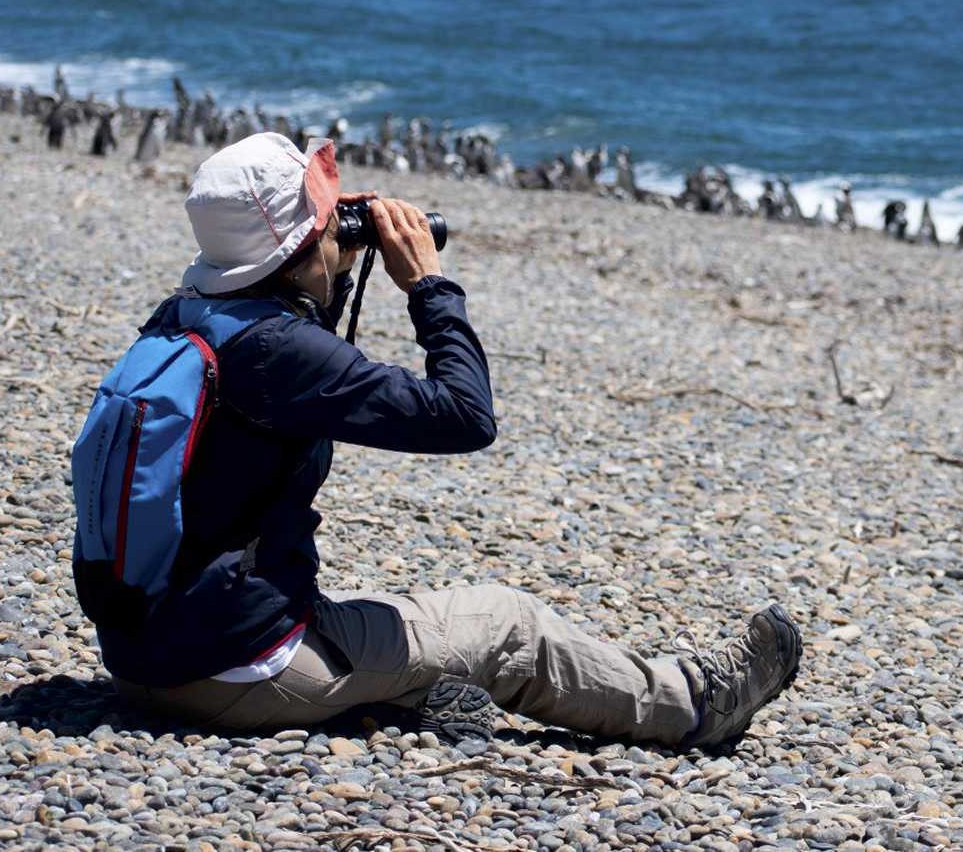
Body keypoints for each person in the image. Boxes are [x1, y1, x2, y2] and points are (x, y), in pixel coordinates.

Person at [78, 132, 801, 746]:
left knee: (389, 613)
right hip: (237, 669)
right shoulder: (275, 352)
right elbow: (464, 415)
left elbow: (286, 395)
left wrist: (325, 267)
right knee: (509, 624)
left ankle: (396, 698)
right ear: (297, 245)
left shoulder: (186, 318)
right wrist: (429, 285)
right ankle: (700, 702)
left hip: (149, 652)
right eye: (330, 221)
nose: (343, 230)